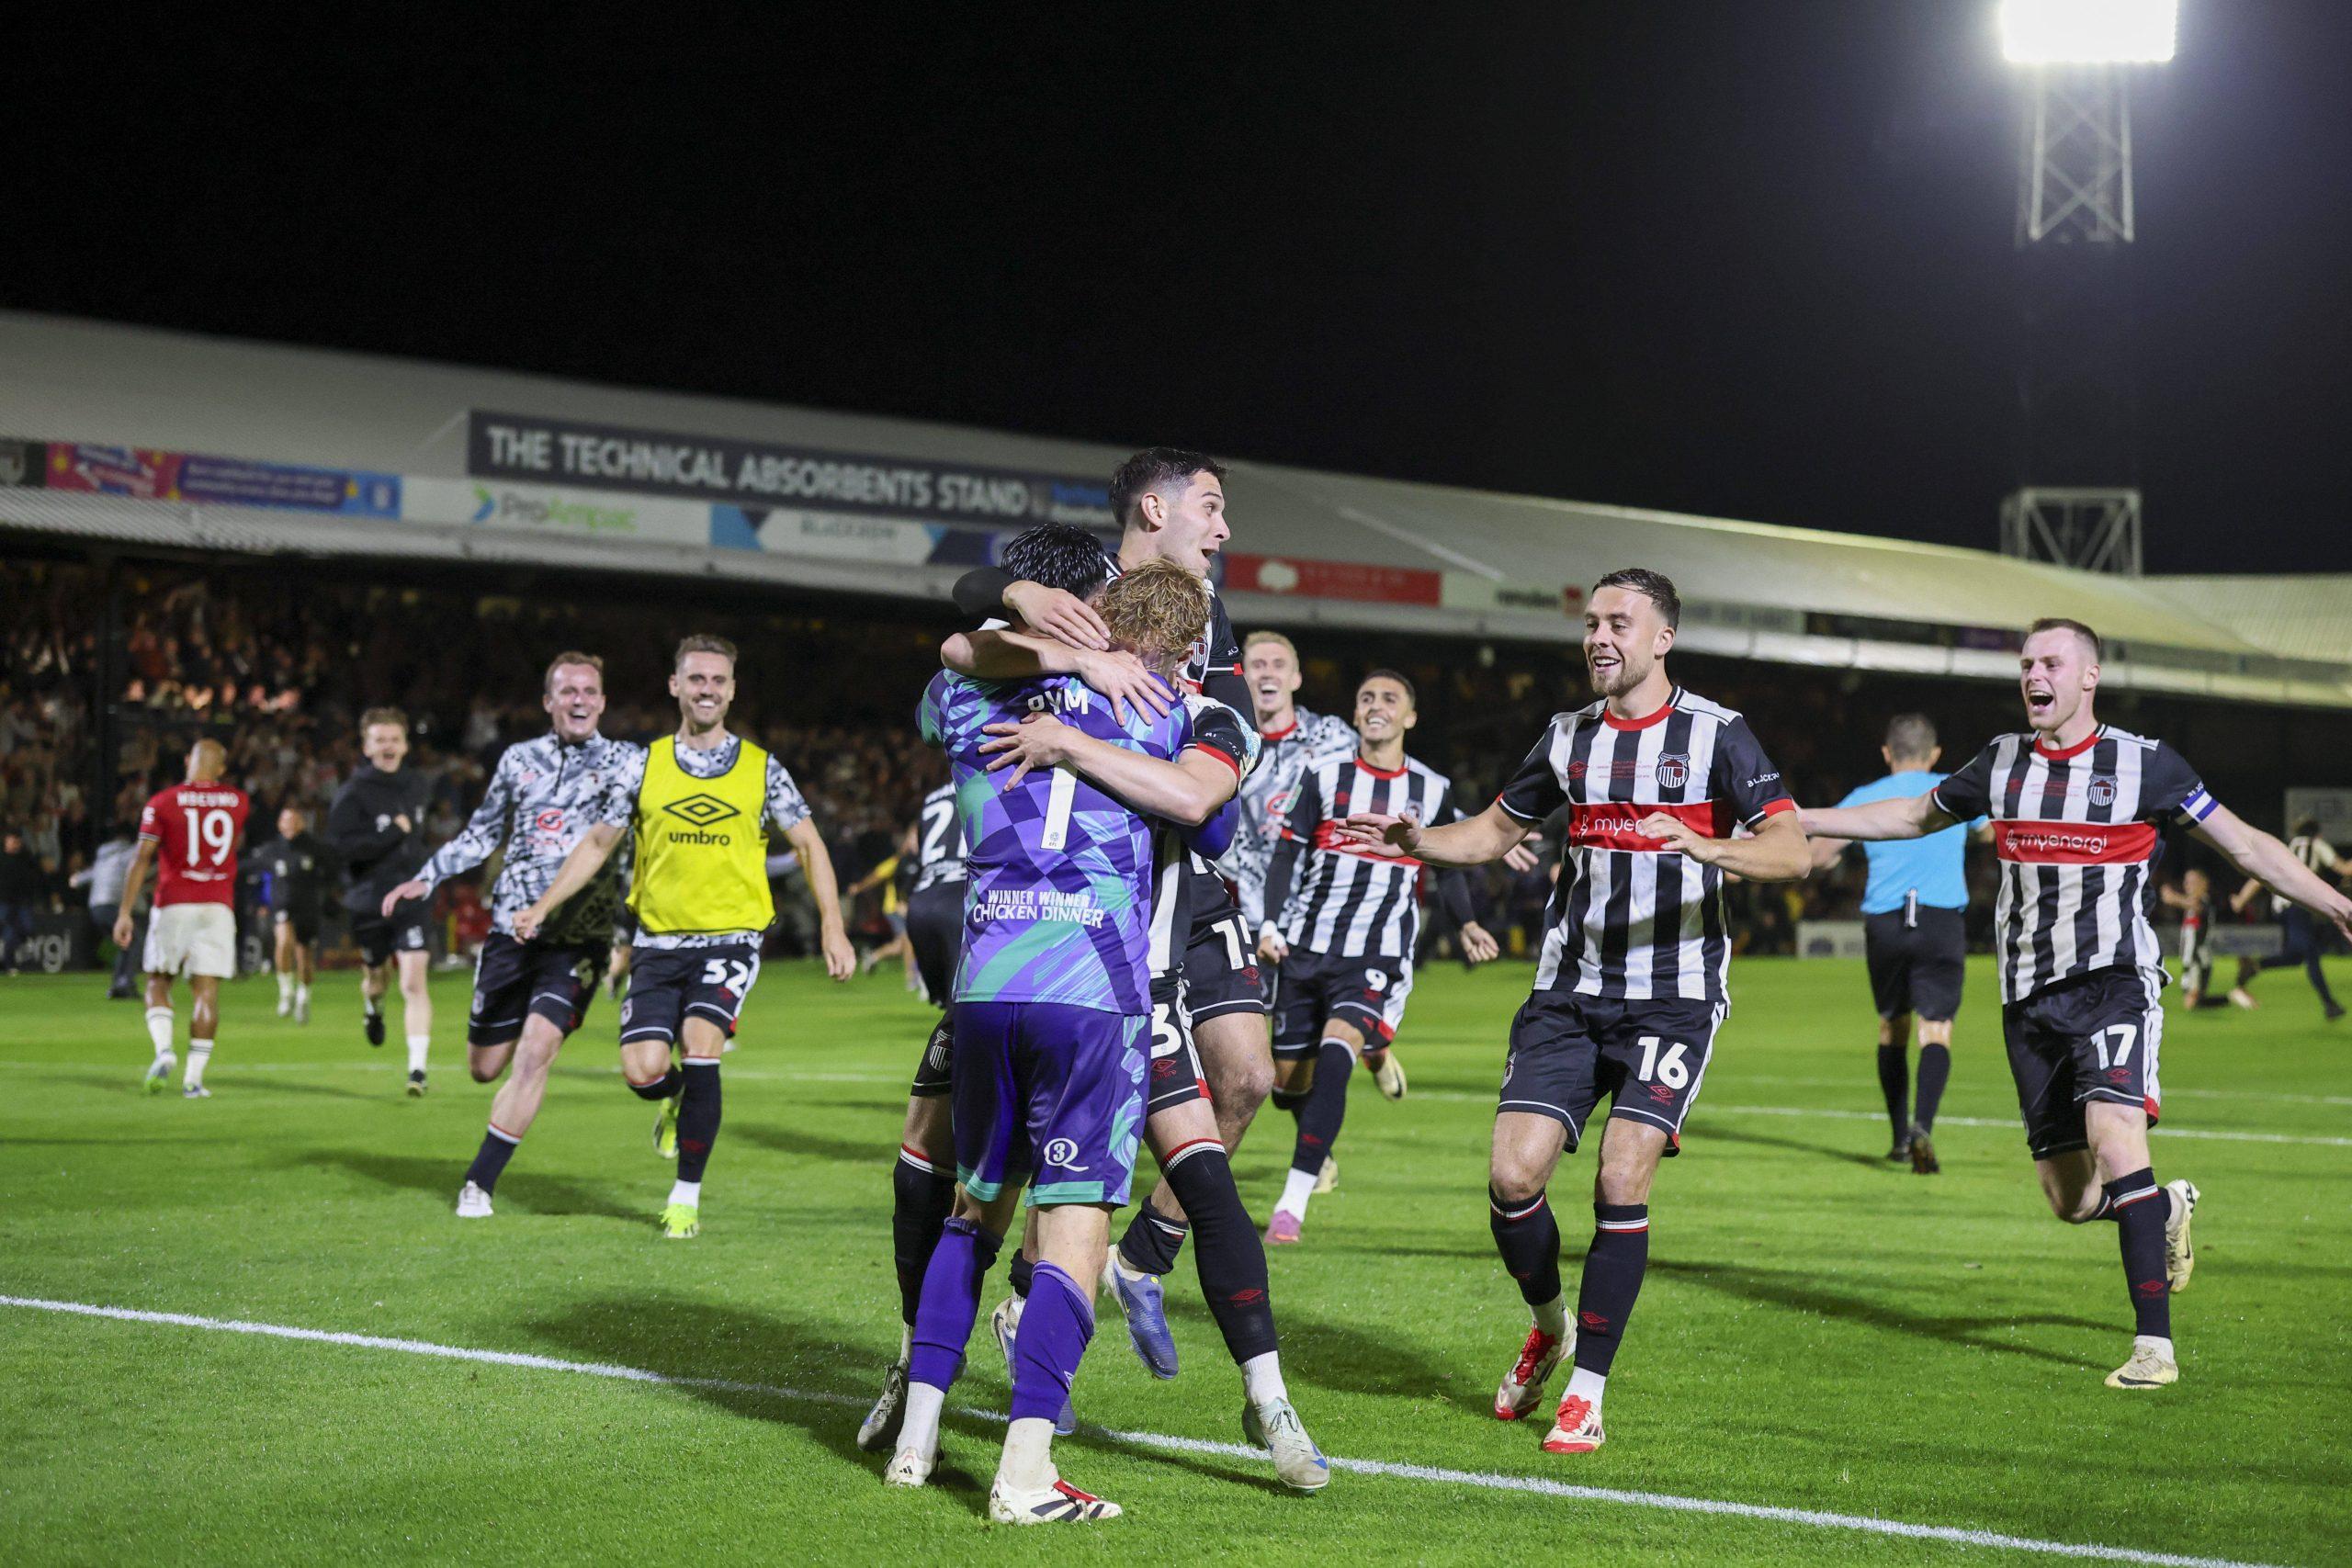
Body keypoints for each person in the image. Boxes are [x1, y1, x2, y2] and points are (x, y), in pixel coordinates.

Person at [1800, 617, 2352, 1392]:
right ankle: (2159, 1210)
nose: (2034, 674)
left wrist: (2334, 901)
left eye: (2051, 662)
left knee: (2116, 1134)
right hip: (2028, 999)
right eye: (2027, 663)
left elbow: (2247, 845)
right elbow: (1911, 814)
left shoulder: (2144, 764)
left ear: (2087, 677)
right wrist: (1807, 817)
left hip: (2115, 979)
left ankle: (2153, 1346)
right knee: (2071, 1196)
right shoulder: (1999, 762)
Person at [1340, 569, 1810, 1455]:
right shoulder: (1567, 737)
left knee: (1620, 1179)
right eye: (1591, 622)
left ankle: (1587, 1387)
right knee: (1514, 1180)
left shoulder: (1717, 736)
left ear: (1662, 637)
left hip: (1671, 1001)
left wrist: (1702, 841)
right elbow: (1490, 833)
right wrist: (1419, 843)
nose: (1599, 636)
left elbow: (1792, 852)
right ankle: (1550, 1323)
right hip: (1569, 992)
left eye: (1618, 623)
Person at [886, 560, 1218, 1523]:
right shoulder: (1169, 707)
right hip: (1089, 990)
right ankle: (1025, 1475)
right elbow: (1207, 814)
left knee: (975, 1206)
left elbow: (952, 653)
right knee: (1073, 1228)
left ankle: (915, 1439)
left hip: (986, 983)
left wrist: (1021, 630)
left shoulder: (968, 693)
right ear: (1183, 643)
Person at [946, 452, 1279, 1344]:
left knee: (1246, 1077)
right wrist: (1030, 616)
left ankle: (1140, 1264)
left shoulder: (1210, 622)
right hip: (1048, 906)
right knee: (984, 1163)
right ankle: (947, 1348)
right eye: (1210, 508)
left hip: (1177, 887)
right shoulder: (1074, 586)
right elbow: (963, 615)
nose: (1224, 529)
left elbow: (1215, 759)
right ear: (1150, 509)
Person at [514, 634, 854, 1239]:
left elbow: (808, 843)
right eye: (696, 678)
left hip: (731, 939)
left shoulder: (761, 767)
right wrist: (543, 904)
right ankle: (672, 1099)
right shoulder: (642, 765)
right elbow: (597, 842)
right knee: (643, 1070)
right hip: (657, 941)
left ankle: (685, 1197)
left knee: (703, 1049)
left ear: (731, 689)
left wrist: (833, 923)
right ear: (675, 685)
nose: (707, 689)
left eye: (718, 680)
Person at [381, 653, 640, 1219]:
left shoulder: (629, 763)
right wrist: (426, 878)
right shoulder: (518, 760)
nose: (579, 699)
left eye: (590, 691)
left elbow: (612, 842)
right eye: (567, 690)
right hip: (509, 934)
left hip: (579, 937)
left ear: (602, 701)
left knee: (536, 1051)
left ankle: (479, 1182)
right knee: (484, 1066)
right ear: (548, 702)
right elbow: (481, 834)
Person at [1258, 669, 1498, 1240]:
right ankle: (1379, 1048)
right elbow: (1288, 856)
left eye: (1390, 698)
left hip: (1376, 951)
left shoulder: (1431, 789)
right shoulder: (1323, 776)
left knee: (1333, 1059)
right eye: (1366, 697)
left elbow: (1445, 862)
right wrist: (1269, 923)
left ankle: (1291, 1206)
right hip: (1305, 946)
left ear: (1409, 717)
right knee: (1286, 1085)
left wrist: (1465, 923)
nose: (1376, 706)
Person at [1807, 714, 1985, 1174]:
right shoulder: (1953, 787)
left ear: (1887, 753)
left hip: (1885, 923)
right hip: (1940, 918)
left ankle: (1898, 1139)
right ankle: (1923, 1125)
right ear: (1935, 754)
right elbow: (1990, 832)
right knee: (1936, 1028)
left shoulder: (1865, 798)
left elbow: (1819, 855)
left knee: (1892, 1027)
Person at [113, 740, 252, 1098]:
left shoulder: (162, 802)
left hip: (175, 901)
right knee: (206, 992)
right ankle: (194, 1081)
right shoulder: (238, 801)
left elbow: (142, 858)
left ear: (188, 760)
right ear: (222, 769)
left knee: (158, 981)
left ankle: (164, 1051)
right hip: (218, 904)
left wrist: (125, 912)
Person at [1223, 630, 1357, 951]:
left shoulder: (1330, 738)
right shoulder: (1224, 740)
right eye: (1258, 664)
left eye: (1278, 664)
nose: (1268, 672)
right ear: (1243, 676)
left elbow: (1393, 781)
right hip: (1244, 915)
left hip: (1319, 914)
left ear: (1296, 678)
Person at [327, 708, 436, 1093]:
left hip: (412, 897)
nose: (388, 746)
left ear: (405, 745)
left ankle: (417, 1071)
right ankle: (373, 1009)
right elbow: (340, 849)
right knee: (376, 979)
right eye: (380, 740)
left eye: (394, 739)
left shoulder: (418, 785)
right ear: (367, 746)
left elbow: (419, 838)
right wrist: (388, 834)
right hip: (369, 901)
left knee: (412, 981)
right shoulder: (352, 793)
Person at [2228, 818, 2347, 1021]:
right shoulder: (2315, 844)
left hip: (2281, 906)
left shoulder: (2286, 847)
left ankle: (2255, 966)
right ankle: (2329, 1004)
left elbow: (2262, 876)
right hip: (2297, 904)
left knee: (2297, 956)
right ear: (2317, 833)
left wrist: (2241, 899)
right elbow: (2344, 869)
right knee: (2308, 952)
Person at [254, 806, 328, 1023]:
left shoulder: (314, 848)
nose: (291, 825)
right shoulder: (272, 849)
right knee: (284, 941)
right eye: (286, 821)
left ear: (302, 824)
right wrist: (260, 902)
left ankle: (304, 996)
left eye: (295, 821)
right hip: (282, 907)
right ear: (280, 824)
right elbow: (255, 873)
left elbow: (330, 872)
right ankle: (286, 992)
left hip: (307, 908)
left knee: (304, 957)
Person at [2157, 869, 2240, 1010]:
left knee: (2192, 1003)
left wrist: (2173, 897)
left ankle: (2232, 996)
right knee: (2193, 1002)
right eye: (2186, 882)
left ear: (2204, 884)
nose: (2188, 886)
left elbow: (2197, 907)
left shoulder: (2204, 902)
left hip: (2199, 960)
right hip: (2189, 959)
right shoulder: (2189, 906)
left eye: (2193, 882)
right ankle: (2231, 997)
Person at [72, 829, 141, 998]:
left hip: (96, 908)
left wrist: (76, 878)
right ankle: (125, 983)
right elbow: (143, 858)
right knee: (135, 941)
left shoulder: (102, 860)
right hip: (112, 905)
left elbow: (76, 881)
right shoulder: (128, 853)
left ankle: (117, 985)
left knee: (125, 944)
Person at [0, 828, 42, 973]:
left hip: (23, 902)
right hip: (4, 902)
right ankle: (8, 964)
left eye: (18, 841)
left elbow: (35, 877)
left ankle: (6, 961)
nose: (16, 843)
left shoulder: (26, 857)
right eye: (13, 840)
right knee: (9, 932)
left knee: (27, 928)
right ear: (6, 841)